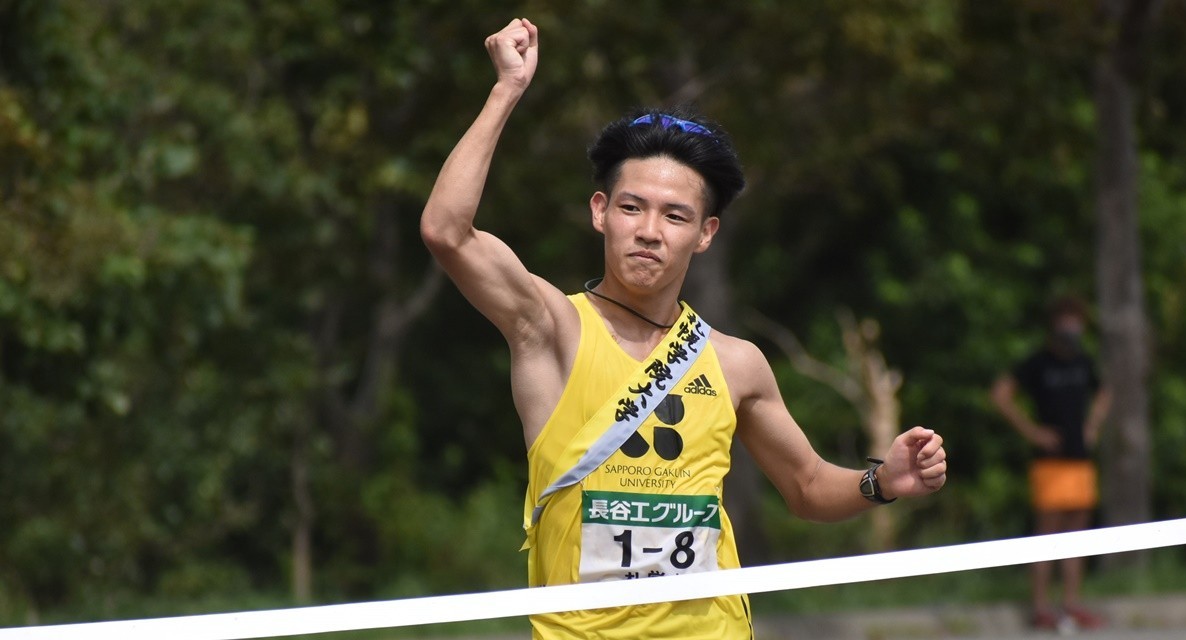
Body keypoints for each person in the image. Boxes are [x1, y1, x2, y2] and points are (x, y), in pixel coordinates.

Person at [421, 19, 948, 639]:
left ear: (705, 233)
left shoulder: (736, 363)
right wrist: (507, 89)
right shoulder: (550, 327)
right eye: (631, 206)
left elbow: (806, 486)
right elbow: (446, 231)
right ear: (601, 213)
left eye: (675, 215)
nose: (649, 230)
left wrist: (880, 481)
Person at [990, 295, 1113, 631]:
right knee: (1047, 534)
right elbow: (1001, 394)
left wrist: (1092, 427)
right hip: (1049, 462)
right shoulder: (1038, 363)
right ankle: (1041, 608)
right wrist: (1032, 432)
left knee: (1078, 534)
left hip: (1080, 460)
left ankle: (1071, 605)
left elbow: (1104, 392)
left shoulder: (1083, 362)